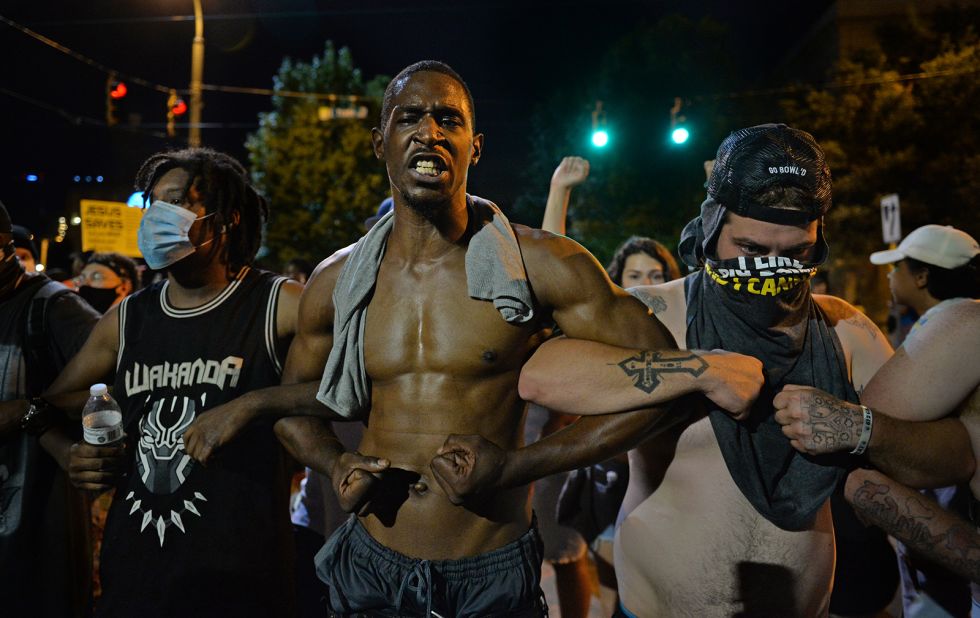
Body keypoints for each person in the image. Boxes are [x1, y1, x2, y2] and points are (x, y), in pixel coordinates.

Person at [193, 61, 762, 617]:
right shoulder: (336, 281)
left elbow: (669, 382)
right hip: (372, 566)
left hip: (489, 572)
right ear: (380, 142)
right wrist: (335, 461)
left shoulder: (543, 265)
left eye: (449, 119)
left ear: (475, 146)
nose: (429, 131)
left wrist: (517, 467)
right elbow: (298, 407)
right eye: (409, 116)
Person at [519, 124, 894, 616]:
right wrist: (698, 370)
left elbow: (922, 453)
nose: (773, 267)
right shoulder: (654, 312)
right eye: (752, 250)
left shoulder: (845, 328)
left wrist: (857, 427)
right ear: (713, 228)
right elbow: (540, 374)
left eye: (795, 253)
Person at [31, 148, 304, 617]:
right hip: (135, 576)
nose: (158, 216)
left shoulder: (277, 303)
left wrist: (253, 403)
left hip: (241, 578)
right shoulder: (129, 316)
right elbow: (53, 401)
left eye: (177, 201)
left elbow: (353, 382)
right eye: (153, 201)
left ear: (226, 220)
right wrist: (74, 448)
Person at [775, 224, 980, 616]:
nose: (889, 275)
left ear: (921, 276)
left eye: (896, 267)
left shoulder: (958, 322)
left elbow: (870, 430)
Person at [0, 201, 101, 617]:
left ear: (4, 245)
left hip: (34, 540)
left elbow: (120, 384)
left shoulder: (54, 308)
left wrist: (30, 410)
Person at [74, 252, 140, 313]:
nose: (85, 283)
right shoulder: (76, 321)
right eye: (82, 278)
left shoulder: (138, 322)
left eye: (97, 277)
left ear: (124, 286)